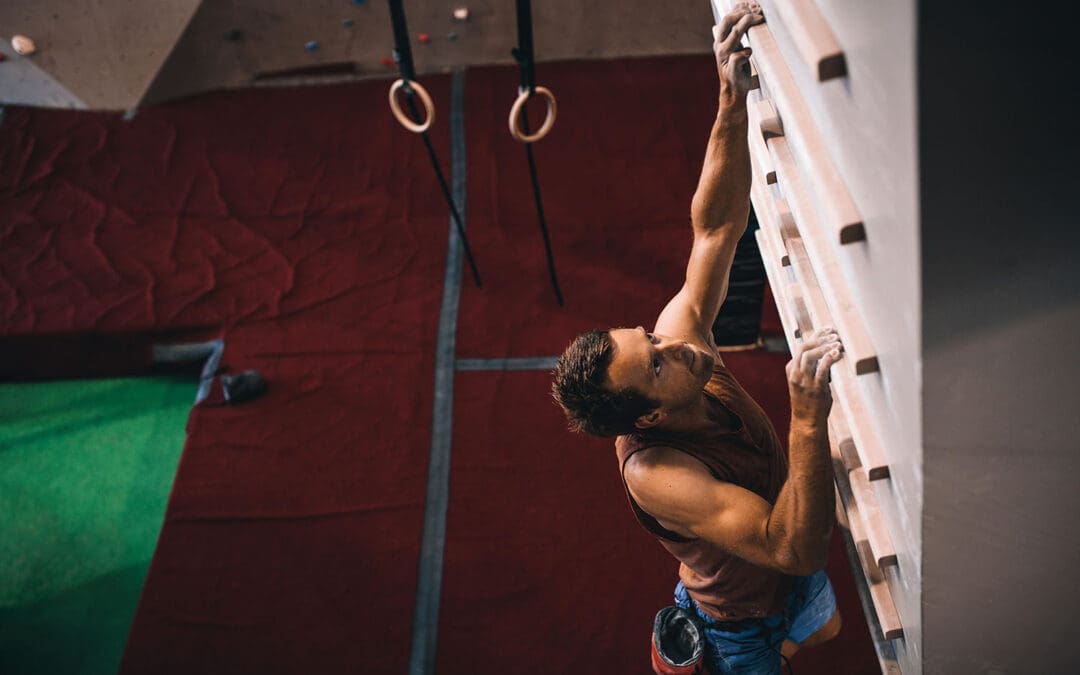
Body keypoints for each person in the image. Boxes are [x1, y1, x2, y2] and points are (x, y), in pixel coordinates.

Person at [551, 4, 844, 672]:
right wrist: (805, 418)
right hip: (743, 622)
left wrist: (730, 98)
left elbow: (713, 229)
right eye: (656, 364)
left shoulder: (679, 342)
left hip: (768, 550)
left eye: (649, 335)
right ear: (651, 414)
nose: (676, 344)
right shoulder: (658, 474)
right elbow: (793, 547)